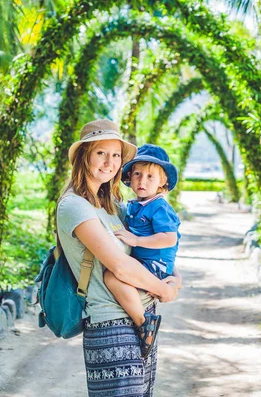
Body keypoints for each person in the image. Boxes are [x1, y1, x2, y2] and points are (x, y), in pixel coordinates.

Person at [56, 119, 180, 396]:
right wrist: (166, 291)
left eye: (115, 155)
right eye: (101, 153)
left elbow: (153, 245)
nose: (109, 161)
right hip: (111, 324)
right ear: (83, 155)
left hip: (145, 317)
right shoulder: (75, 206)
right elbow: (120, 266)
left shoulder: (116, 207)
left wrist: (175, 275)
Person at [104, 144, 181, 358]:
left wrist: (136, 240)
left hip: (153, 266)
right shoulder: (137, 205)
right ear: (129, 176)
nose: (142, 181)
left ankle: (143, 323)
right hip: (147, 262)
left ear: (162, 182)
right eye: (137, 174)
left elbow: (169, 238)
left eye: (150, 176)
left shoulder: (159, 207)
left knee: (112, 276)